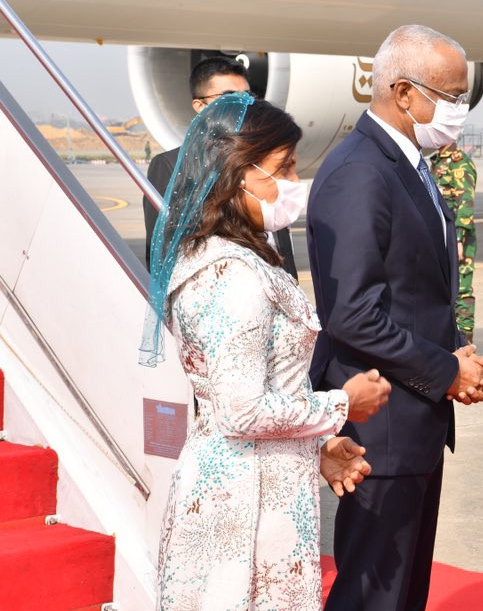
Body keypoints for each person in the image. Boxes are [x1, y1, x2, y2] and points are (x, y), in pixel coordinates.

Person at [142, 94, 391, 609]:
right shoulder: (234, 277)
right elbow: (243, 410)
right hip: (242, 506)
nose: (294, 183)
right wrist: (342, 404)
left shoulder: (225, 257)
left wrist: (315, 448)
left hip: (250, 485)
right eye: (284, 167)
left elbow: (252, 393)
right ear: (237, 174)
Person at [307, 24, 483, 611]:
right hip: (381, 429)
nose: (460, 110)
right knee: (372, 594)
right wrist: (445, 371)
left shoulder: (408, 162)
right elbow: (354, 314)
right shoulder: (361, 171)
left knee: (403, 590)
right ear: (404, 92)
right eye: (450, 95)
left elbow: (417, 288)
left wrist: (457, 352)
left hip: (413, 424)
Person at [142, 56, 299, 278]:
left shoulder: (261, 160)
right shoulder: (170, 166)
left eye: (247, 97)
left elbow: (279, 242)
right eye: (228, 98)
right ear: (200, 106)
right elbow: (163, 255)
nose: (242, 105)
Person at [431, 142, 477, 343]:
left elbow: (465, 205)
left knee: (462, 291)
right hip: (440, 236)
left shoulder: (460, 163)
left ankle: (466, 344)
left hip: (458, 238)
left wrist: (459, 239)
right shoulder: (436, 161)